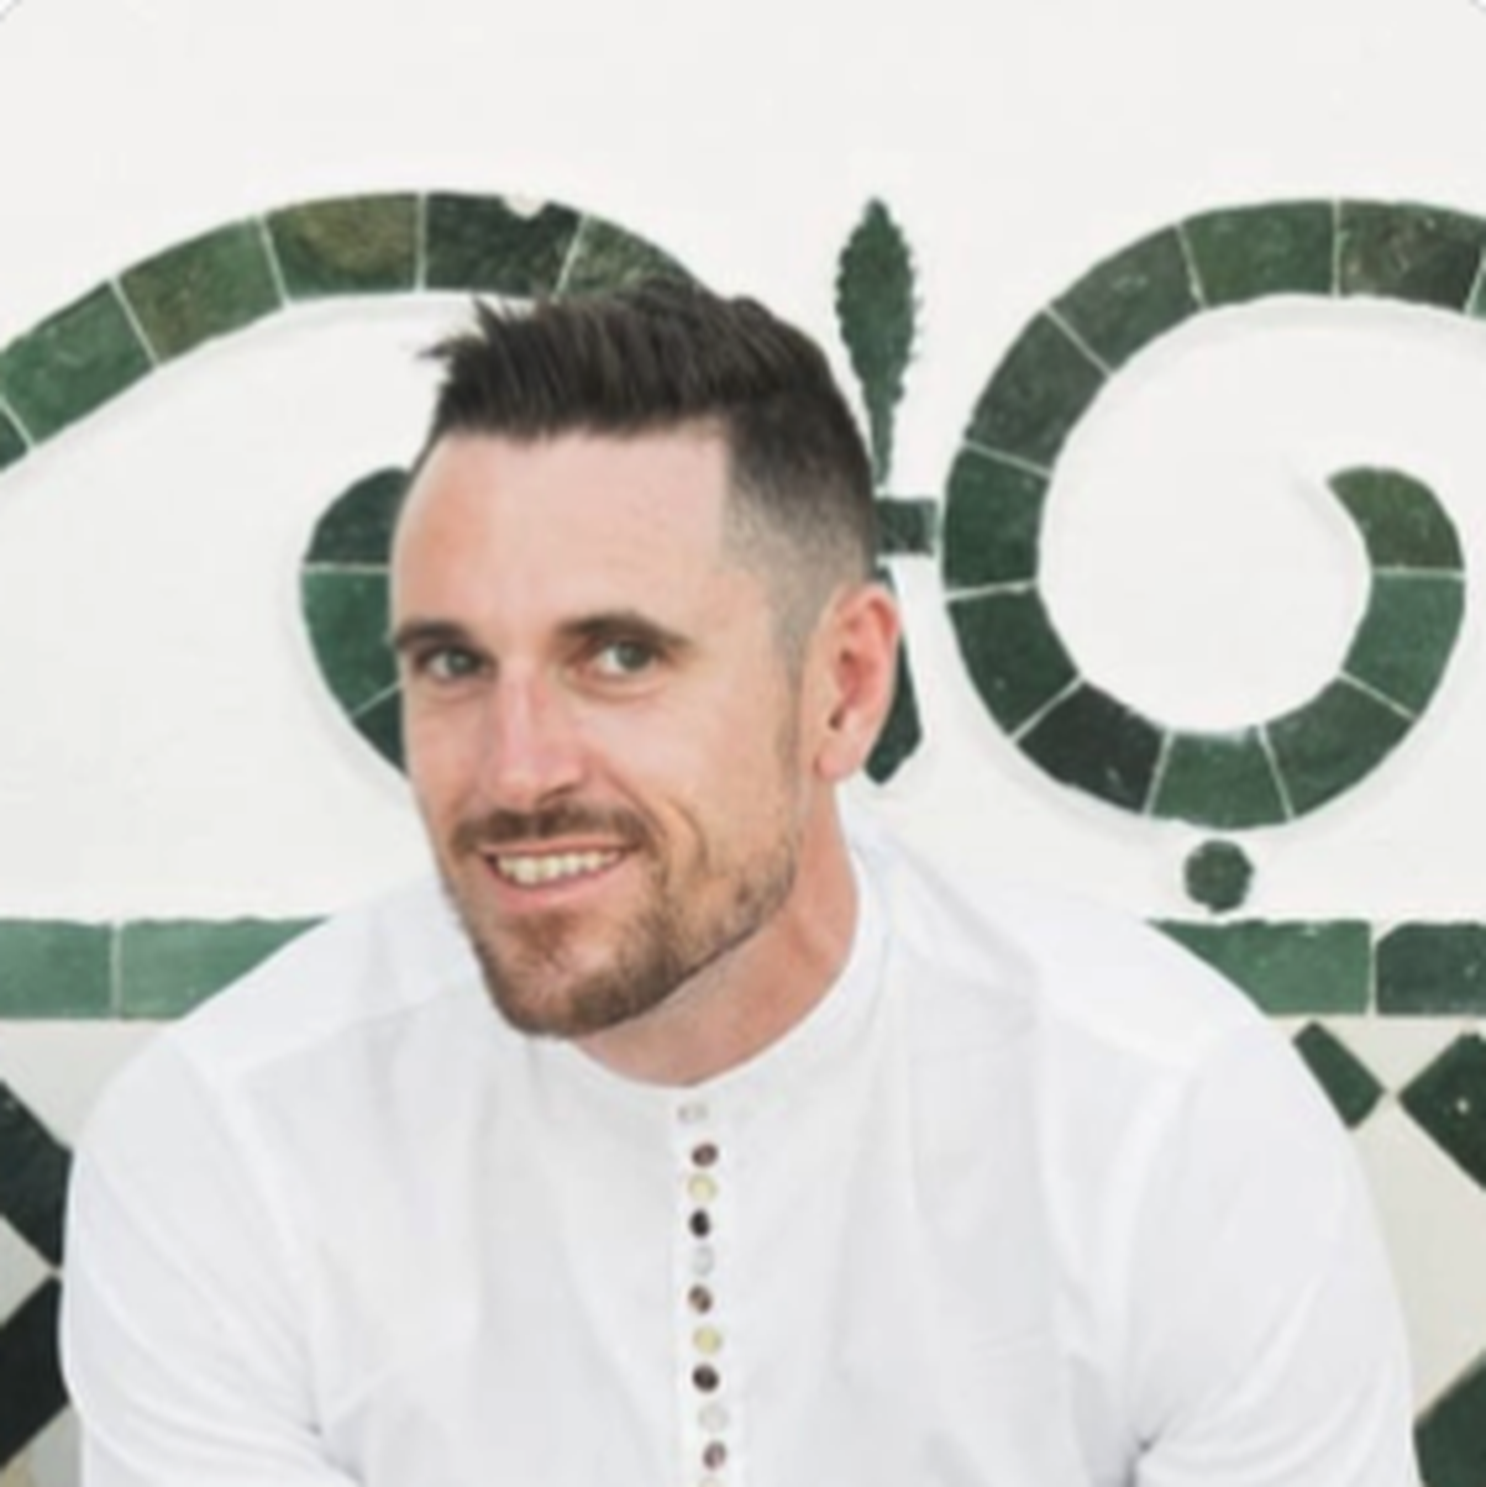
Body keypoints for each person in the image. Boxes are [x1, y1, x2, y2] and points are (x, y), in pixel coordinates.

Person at [62, 280, 1420, 1486]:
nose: (517, 769)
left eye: (620, 656)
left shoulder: (1168, 1122)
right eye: (455, 664)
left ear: (843, 686)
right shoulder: (229, 1148)